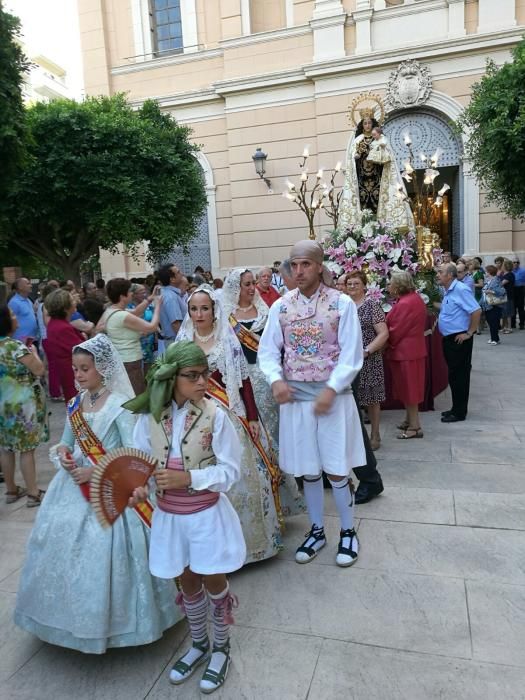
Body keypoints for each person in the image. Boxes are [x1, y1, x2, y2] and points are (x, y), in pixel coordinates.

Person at [15, 334, 179, 652]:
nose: (79, 375)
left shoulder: (119, 406)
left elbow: (133, 453)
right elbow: (67, 441)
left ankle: (120, 625)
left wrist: (96, 470)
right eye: (76, 369)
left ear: (102, 369)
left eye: (85, 369)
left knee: (105, 543)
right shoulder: (76, 403)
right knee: (60, 531)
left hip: (112, 484)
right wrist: (64, 453)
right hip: (74, 483)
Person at [126, 342, 245, 693]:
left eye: (205, 374)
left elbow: (230, 471)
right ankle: (199, 643)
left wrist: (190, 478)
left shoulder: (216, 415)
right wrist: (139, 487)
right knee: (187, 581)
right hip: (170, 518)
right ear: (171, 379)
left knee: (212, 580)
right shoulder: (151, 416)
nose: (202, 382)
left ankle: (221, 647)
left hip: (205, 516)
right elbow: (140, 462)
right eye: (192, 376)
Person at [259, 240, 365, 567]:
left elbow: (351, 354)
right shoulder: (281, 306)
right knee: (309, 470)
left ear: (319, 266)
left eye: (305, 264)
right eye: (294, 264)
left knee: (336, 468)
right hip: (296, 401)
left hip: (332, 400)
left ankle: (348, 530)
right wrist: (276, 379)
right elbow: (267, 351)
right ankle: (317, 529)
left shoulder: (342, 303)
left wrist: (332, 389)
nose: (299, 271)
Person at [177, 284, 288, 562]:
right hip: (192, 420)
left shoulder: (227, 339)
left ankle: (250, 546)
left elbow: (244, 381)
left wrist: (251, 416)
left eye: (205, 308)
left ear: (215, 310)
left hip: (227, 415)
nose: (199, 313)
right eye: (194, 308)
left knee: (240, 477)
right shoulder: (181, 343)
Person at [221, 269, 304, 517]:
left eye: (252, 283)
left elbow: (277, 345)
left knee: (272, 434)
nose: (251, 288)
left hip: (266, 381)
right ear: (235, 287)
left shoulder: (265, 311)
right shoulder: (225, 315)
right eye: (246, 284)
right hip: (239, 381)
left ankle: (282, 495)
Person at [0, 305, 47, 507]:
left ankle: (11, 490)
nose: (15, 317)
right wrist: (34, 352)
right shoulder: (15, 346)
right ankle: (33, 493)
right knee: (27, 449)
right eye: (12, 315)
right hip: (22, 403)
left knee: (5, 448)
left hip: (2, 403)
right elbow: (38, 370)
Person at [339, 113, 413, 230]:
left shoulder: (380, 138)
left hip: (378, 177)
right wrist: (356, 155)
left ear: (372, 124)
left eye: (369, 123)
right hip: (362, 179)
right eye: (365, 123)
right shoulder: (357, 140)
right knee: (363, 204)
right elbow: (352, 157)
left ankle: (381, 227)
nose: (367, 125)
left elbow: (388, 155)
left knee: (379, 201)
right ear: (362, 126)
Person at [346, 271, 388, 450]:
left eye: (356, 283)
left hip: (369, 359)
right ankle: (356, 437)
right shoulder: (344, 305)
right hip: (347, 360)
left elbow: (384, 333)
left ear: (364, 286)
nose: (352, 287)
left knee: (372, 399)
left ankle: (375, 434)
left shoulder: (372, 305)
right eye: (349, 284)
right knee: (351, 399)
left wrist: (366, 351)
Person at [98, 277, 161, 394]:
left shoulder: (112, 310)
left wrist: (150, 299)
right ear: (122, 296)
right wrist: (157, 306)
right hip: (129, 361)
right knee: (137, 395)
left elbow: (136, 312)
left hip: (122, 360)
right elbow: (152, 327)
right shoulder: (122, 316)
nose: (132, 293)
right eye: (129, 291)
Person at [436, 263, 481, 423]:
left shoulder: (460, 289)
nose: (437, 274)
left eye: (440, 272)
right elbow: (452, 309)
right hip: (450, 339)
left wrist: (469, 332)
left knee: (459, 376)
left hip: (458, 339)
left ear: (450, 275)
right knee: (454, 375)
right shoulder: (449, 290)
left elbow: (476, 310)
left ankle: (460, 412)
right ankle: (455, 408)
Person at [385, 272, 427, 439]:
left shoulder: (406, 303)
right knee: (408, 388)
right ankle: (409, 420)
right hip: (411, 350)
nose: (388, 287)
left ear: (398, 286)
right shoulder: (413, 299)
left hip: (406, 352)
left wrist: (383, 343)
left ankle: (415, 427)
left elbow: (396, 330)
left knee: (410, 390)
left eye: (390, 283)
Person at [44, 289, 86, 402]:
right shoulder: (62, 328)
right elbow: (81, 350)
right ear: (65, 307)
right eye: (72, 300)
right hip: (72, 374)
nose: (75, 301)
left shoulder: (57, 323)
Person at [127, 283, 156, 375]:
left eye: (145, 292)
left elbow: (154, 321)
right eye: (141, 292)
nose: (144, 294)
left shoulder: (149, 306)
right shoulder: (128, 307)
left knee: (149, 372)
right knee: (137, 373)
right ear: (133, 294)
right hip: (136, 343)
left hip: (149, 344)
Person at [156, 264, 186, 349]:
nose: (182, 273)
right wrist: (184, 343)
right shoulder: (170, 297)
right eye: (178, 272)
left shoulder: (167, 293)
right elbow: (176, 324)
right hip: (177, 342)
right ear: (172, 279)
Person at [480, 265, 506, 345]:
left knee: (493, 322)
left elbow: (502, 291)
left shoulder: (495, 280)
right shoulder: (489, 280)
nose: (485, 273)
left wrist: (490, 291)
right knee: (491, 322)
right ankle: (494, 338)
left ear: (489, 272)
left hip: (494, 305)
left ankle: (495, 339)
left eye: (486, 271)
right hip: (488, 305)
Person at [8, 277, 38, 344]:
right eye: (28, 283)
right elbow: (9, 322)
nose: (31, 285)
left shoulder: (28, 300)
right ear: (20, 287)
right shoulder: (14, 302)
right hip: (21, 342)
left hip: (33, 339)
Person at [500, 259, 515, 334]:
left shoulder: (509, 274)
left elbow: (501, 284)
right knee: (504, 312)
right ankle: (505, 327)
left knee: (508, 312)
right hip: (504, 296)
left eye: (503, 265)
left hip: (508, 295)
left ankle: (509, 328)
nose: (502, 266)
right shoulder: (504, 274)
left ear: (506, 266)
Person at [511, 258, 525, 330]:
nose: (516, 263)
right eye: (514, 262)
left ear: (519, 263)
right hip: (513, 290)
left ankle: (522, 324)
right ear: (512, 263)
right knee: (513, 307)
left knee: (521, 307)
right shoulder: (510, 271)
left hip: (521, 289)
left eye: (517, 262)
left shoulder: (523, 271)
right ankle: (512, 324)